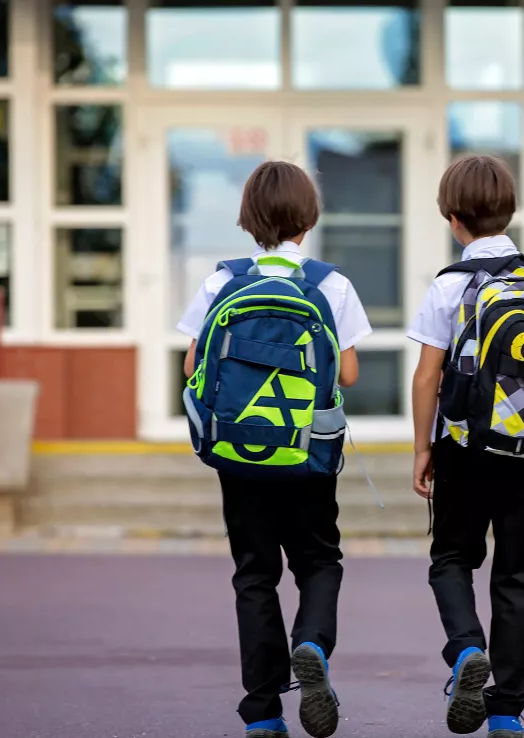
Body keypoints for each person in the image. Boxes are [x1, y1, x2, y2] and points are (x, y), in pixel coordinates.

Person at [177, 161, 372, 738]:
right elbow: (351, 372)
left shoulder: (222, 281)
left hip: (238, 454)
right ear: (307, 221)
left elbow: (193, 363)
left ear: (248, 219)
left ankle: (263, 712)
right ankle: (310, 643)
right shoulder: (329, 283)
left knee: (255, 575)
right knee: (319, 562)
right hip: (307, 453)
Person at [408, 155, 524, 738]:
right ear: (511, 212)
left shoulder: (450, 285)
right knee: (518, 576)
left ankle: (465, 651)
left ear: (453, 220)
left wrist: (423, 447)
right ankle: (505, 710)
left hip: (465, 446)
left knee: (451, 558)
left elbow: (427, 376)